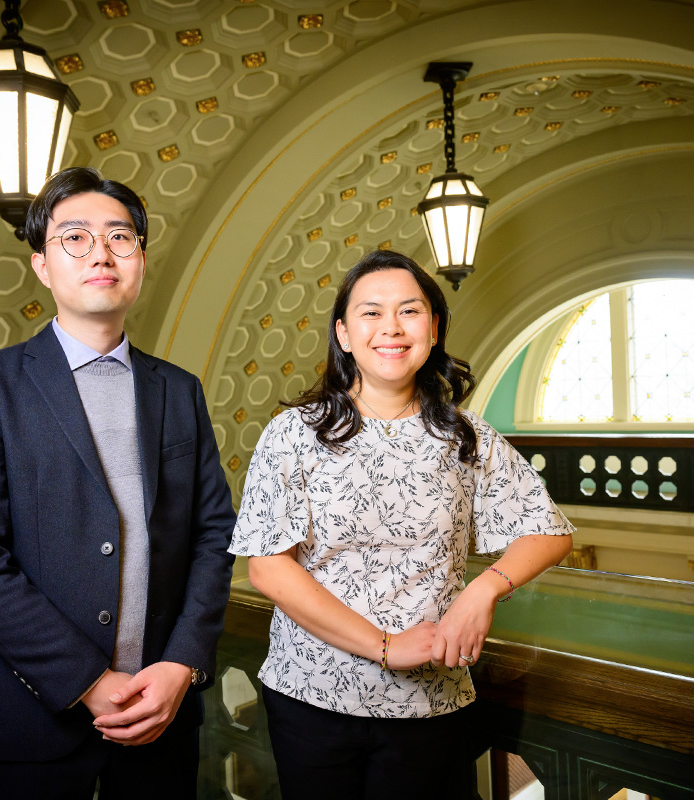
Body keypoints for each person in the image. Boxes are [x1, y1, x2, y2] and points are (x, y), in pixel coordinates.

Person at [0, 167, 236, 799]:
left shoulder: (178, 390)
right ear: (42, 265)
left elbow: (214, 535)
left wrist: (182, 663)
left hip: (162, 713)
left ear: (140, 261)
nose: (101, 252)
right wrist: (88, 681)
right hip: (30, 718)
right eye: (74, 237)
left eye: (120, 237)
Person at [230, 249, 575, 798]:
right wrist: (385, 646)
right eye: (371, 313)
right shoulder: (293, 434)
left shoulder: (468, 437)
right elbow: (269, 570)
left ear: (434, 329)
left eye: (409, 311)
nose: (391, 327)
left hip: (431, 702)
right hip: (312, 693)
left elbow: (551, 532)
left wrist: (483, 590)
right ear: (343, 334)